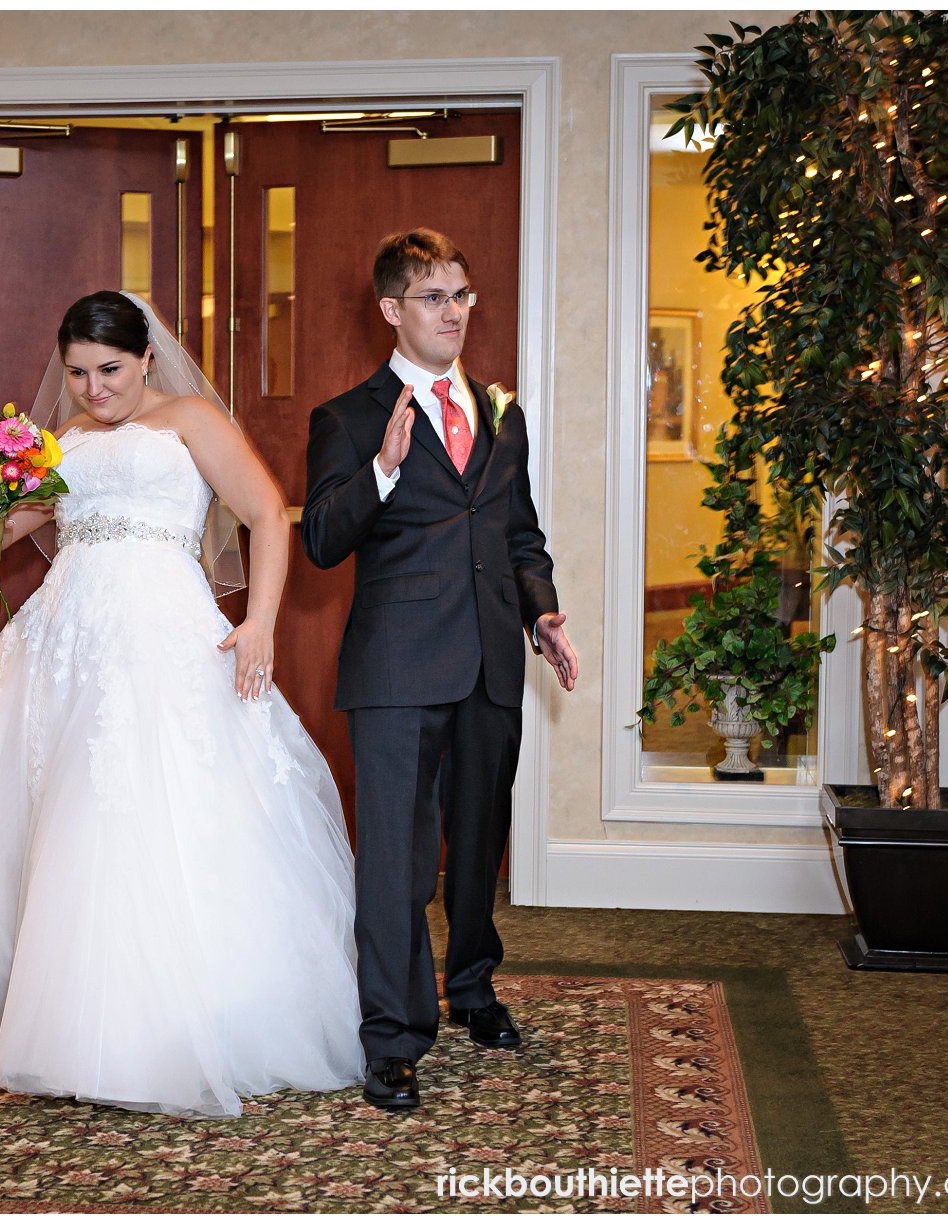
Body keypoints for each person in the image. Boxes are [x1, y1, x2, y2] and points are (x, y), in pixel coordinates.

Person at [0, 290, 362, 1118]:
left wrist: (260, 621)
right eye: (78, 373)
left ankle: (158, 1016)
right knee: (51, 808)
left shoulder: (190, 419)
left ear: (147, 357)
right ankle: (59, 1004)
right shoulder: (67, 441)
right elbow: (37, 521)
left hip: (161, 631)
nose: (93, 389)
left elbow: (266, 512)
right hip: (64, 631)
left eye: (110, 370)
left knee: (137, 803)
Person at [301, 229, 578, 1113]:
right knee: (395, 860)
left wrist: (542, 610)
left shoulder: (503, 413)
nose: (454, 311)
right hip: (395, 668)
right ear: (392, 310)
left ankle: (473, 988)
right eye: (433, 297)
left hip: (494, 657)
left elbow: (518, 532)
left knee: (476, 841)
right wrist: (381, 470)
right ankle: (392, 1035)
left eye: (463, 294)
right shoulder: (346, 419)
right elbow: (320, 541)